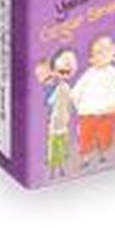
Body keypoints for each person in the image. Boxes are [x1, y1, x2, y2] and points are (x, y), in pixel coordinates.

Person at [71, 36, 115, 168]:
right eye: (99, 52)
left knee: (105, 134)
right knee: (86, 136)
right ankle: (85, 157)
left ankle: (103, 154)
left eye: (107, 50)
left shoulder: (114, 73)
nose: (104, 54)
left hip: (108, 111)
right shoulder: (89, 74)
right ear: (91, 59)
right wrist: (80, 107)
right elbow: (76, 91)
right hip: (89, 112)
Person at [35, 49, 78, 179]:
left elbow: (71, 101)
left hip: (63, 124)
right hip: (55, 126)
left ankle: (60, 168)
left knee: (62, 148)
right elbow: (50, 102)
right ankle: (54, 170)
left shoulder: (64, 87)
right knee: (55, 149)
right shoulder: (55, 89)